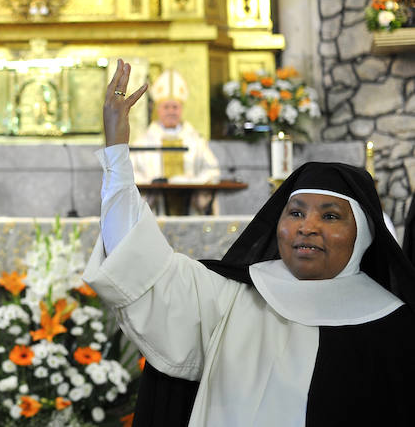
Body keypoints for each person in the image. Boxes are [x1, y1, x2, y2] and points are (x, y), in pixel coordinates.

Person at [83, 59, 415, 426]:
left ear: (363, 233)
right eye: (296, 213)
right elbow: (138, 262)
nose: (307, 227)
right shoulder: (231, 298)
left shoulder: (393, 324)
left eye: (331, 216)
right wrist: (116, 153)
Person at [130, 69, 220, 214]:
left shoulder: (196, 141)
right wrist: (151, 184)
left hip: (190, 208)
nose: (171, 111)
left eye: (175, 107)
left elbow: (212, 170)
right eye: (166, 107)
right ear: (158, 110)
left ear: (181, 109)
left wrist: (191, 183)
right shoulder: (143, 142)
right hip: (155, 211)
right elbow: (130, 172)